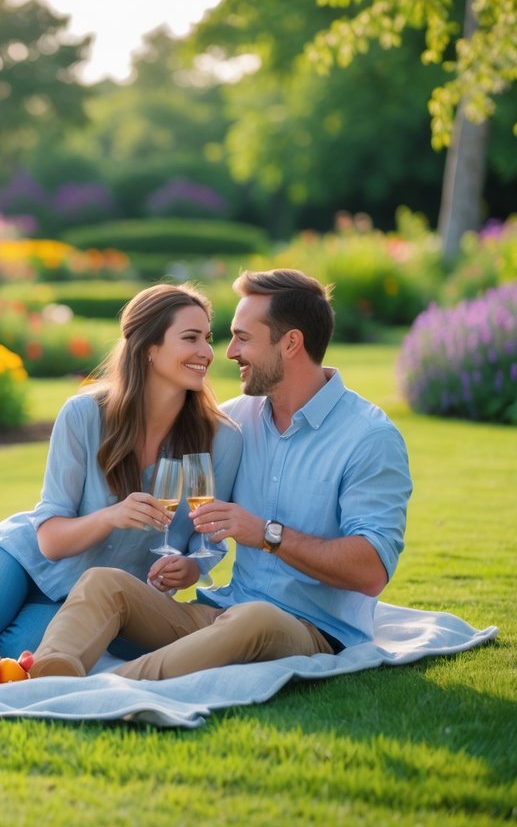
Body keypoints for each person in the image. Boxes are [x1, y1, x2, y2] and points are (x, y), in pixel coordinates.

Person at [30, 268, 412, 680]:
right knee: (105, 582)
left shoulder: (368, 437)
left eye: (243, 338)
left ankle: (113, 688)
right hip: (220, 612)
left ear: (291, 343)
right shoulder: (233, 424)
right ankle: (52, 675)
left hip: (309, 628)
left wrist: (266, 534)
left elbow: (372, 570)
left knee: (255, 619)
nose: (227, 353)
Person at [0, 283, 242, 656]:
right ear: (148, 349)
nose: (206, 352)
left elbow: (207, 541)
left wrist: (190, 568)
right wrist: (111, 516)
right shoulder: (86, 415)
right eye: (190, 338)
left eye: (208, 338)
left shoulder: (220, 439)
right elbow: (50, 541)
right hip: (25, 557)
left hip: (89, 595)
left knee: (2, 654)